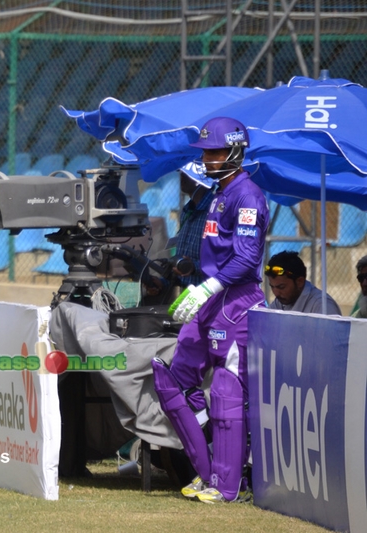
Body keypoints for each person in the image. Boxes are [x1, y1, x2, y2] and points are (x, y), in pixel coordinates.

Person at [151, 117, 268, 503]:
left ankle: (230, 483)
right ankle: (210, 468)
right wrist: (201, 289)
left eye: (216, 152)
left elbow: (247, 257)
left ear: (235, 151)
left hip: (236, 298)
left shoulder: (247, 196)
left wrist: (209, 287)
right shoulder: (217, 193)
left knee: (227, 389)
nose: (209, 159)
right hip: (212, 296)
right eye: (205, 152)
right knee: (175, 379)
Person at [171, 162, 216, 288]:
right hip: (184, 295)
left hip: (206, 296)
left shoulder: (215, 213)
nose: (182, 176)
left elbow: (224, 261)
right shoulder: (187, 211)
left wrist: (194, 267)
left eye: (188, 174)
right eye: (181, 172)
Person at [266, 251, 340, 315]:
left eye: (281, 287)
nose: (276, 293)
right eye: (272, 287)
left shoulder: (323, 306)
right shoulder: (280, 302)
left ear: (300, 282)